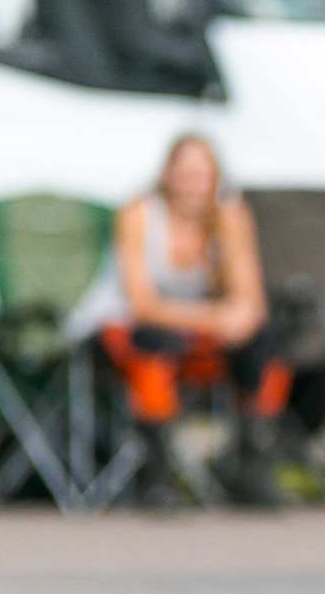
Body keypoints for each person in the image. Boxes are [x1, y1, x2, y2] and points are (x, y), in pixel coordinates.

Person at [69, 133, 288, 507]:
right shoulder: (139, 213)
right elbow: (141, 303)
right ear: (167, 175)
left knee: (267, 341)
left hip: (192, 334)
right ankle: (156, 473)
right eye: (184, 173)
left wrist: (237, 320)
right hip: (124, 329)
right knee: (151, 344)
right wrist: (216, 317)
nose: (193, 184)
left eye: (202, 174)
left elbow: (250, 302)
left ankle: (252, 461)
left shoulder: (229, 216)